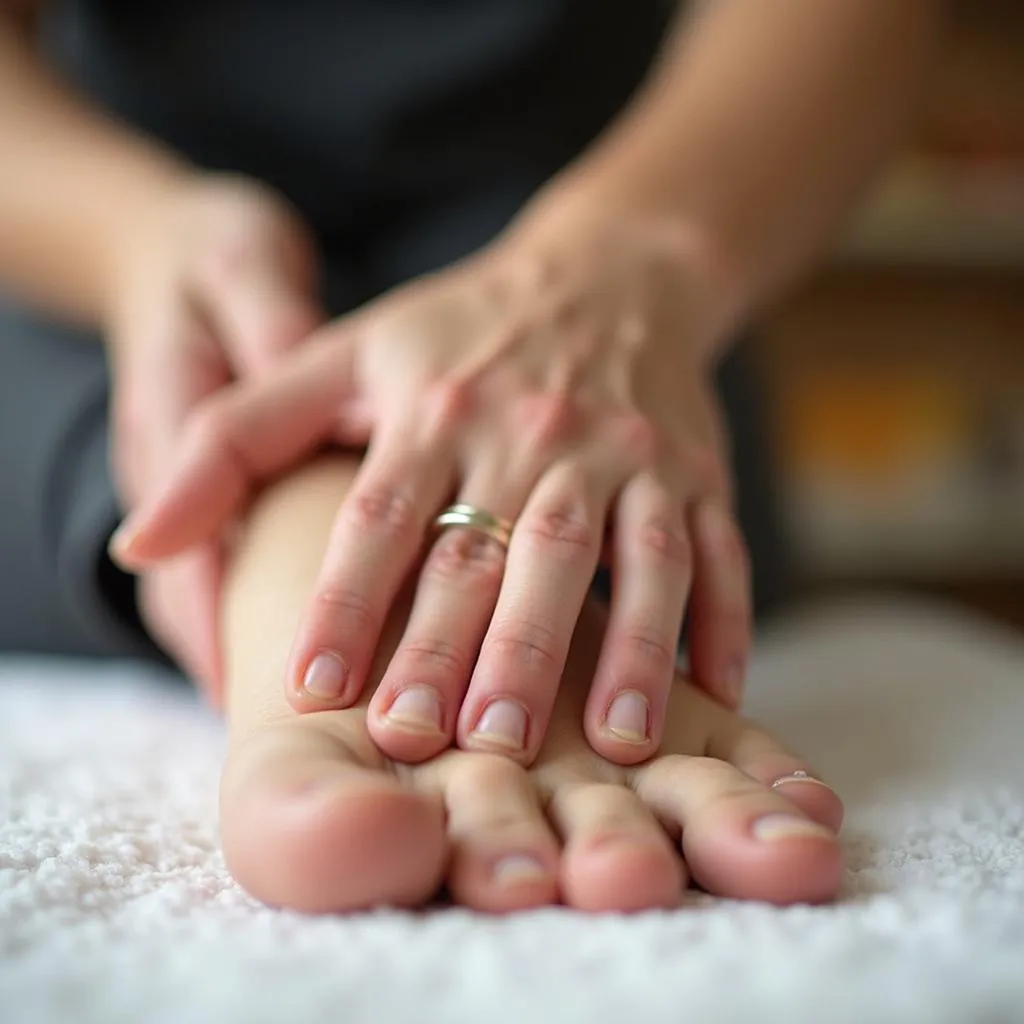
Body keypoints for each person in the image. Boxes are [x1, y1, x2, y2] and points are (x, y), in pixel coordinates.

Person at [0, 0, 937, 911]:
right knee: (155, 359)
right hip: (115, 193)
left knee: (603, 461)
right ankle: (304, 534)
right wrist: (140, 234)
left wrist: (629, 261)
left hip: (612, 215)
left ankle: (505, 554)